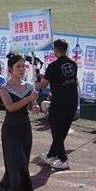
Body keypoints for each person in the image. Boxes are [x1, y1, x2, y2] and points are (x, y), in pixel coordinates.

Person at [0, 53, 38, 191]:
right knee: (15, 166)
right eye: (18, 66)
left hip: (25, 130)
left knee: (22, 167)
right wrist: (28, 99)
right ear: (10, 69)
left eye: (23, 66)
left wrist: (35, 106)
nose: (21, 69)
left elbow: (33, 107)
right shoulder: (4, 88)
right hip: (10, 130)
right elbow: (10, 107)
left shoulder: (29, 86)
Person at [35, 39, 78, 170]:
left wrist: (35, 82)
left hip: (60, 102)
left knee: (56, 130)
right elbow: (60, 77)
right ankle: (50, 156)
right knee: (62, 130)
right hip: (72, 101)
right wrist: (43, 75)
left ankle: (63, 159)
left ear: (56, 50)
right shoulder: (73, 64)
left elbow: (42, 85)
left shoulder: (53, 66)